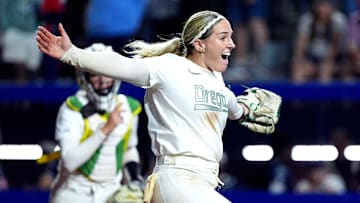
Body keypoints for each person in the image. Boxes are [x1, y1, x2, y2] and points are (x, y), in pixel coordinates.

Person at [36, 10, 279, 203]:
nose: (232, 44)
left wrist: (246, 109)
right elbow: (119, 65)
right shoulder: (168, 68)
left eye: (232, 37)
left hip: (203, 181)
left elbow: (235, 109)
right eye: (223, 37)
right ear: (199, 44)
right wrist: (72, 54)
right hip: (176, 177)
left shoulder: (217, 83)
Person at [47, 43, 144, 203]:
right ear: (84, 78)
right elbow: (70, 161)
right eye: (94, 74)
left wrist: (134, 178)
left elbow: (129, 149)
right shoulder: (72, 108)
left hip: (111, 192)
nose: (103, 80)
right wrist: (105, 130)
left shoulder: (128, 107)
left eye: (107, 73)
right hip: (74, 192)